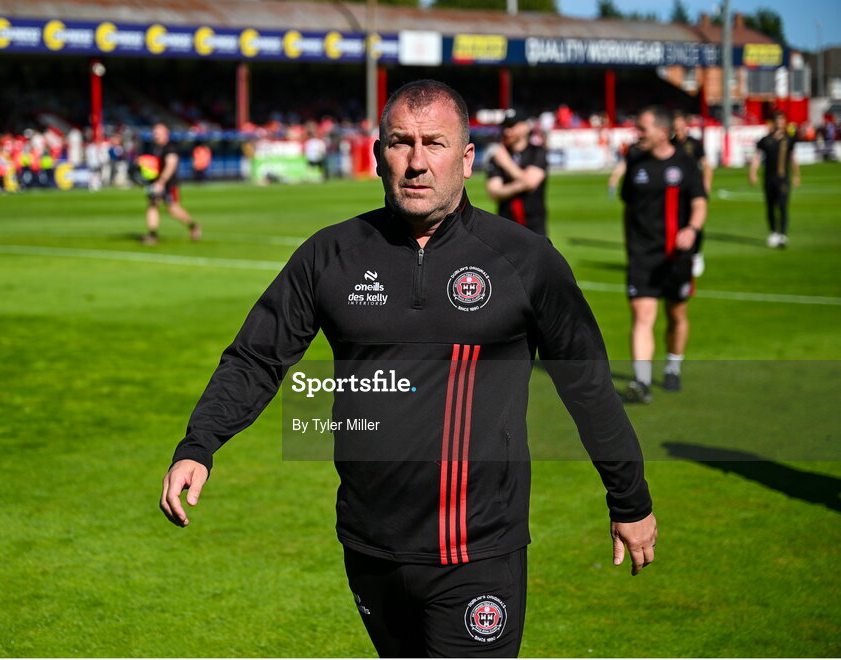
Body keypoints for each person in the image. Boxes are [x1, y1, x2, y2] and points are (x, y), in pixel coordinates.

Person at [160, 80, 657, 658]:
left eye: (435, 144)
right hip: (369, 547)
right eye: (401, 143)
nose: (417, 163)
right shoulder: (330, 256)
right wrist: (199, 443)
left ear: (467, 159)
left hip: (478, 551)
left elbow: (587, 385)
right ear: (377, 156)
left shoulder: (526, 261)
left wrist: (630, 499)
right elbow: (256, 356)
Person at [618, 107, 707, 402]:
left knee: (676, 314)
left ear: (662, 131)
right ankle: (641, 382)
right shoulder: (635, 161)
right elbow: (628, 208)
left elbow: (699, 203)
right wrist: (630, 245)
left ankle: (673, 366)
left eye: (642, 128)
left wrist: (692, 229)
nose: (637, 134)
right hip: (643, 255)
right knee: (642, 315)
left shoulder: (686, 163)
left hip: (676, 256)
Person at [485, 112, 549, 236]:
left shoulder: (537, 152)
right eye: (505, 127)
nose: (507, 131)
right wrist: (522, 184)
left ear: (525, 127)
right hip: (506, 225)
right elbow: (493, 192)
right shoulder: (497, 156)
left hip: (534, 224)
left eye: (512, 126)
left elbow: (531, 182)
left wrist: (506, 163)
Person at [139, 123, 200, 244]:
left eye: (158, 133)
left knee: (172, 209)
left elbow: (170, 166)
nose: (156, 136)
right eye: (154, 133)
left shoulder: (170, 148)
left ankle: (193, 225)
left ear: (166, 133)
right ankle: (153, 235)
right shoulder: (156, 148)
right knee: (152, 204)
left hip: (168, 183)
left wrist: (161, 182)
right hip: (156, 182)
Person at [749, 111, 800, 249]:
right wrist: (753, 172)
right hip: (768, 178)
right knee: (770, 206)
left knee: (783, 206)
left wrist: (796, 174)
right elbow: (757, 157)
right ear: (773, 123)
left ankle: (783, 235)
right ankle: (773, 233)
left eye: (782, 121)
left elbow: (793, 158)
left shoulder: (788, 139)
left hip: (783, 178)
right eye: (777, 121)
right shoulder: (765, 140)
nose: (780, 124)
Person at [671, 111, 712, 277]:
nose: (678, 131)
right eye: (676, 128)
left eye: (681, 127)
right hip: (676, 191)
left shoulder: (694, 143)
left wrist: (705, 187)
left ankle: (697, 255)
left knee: (696, 223)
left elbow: (707, 166)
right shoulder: (671, 144)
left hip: (693, 190)